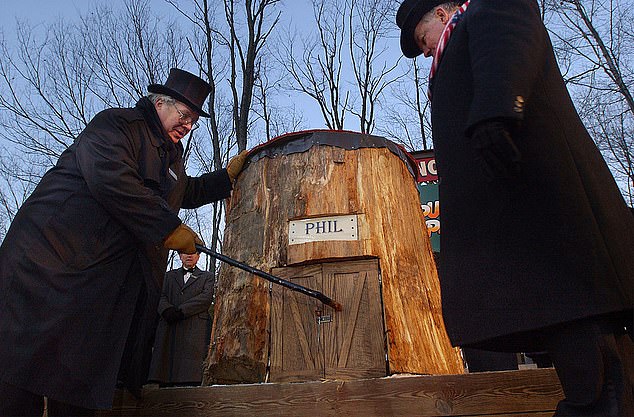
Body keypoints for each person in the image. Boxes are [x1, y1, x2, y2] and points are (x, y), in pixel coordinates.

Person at [396, 1, 633, 415]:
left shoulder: (485, 11)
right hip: (519, 221)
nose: (427, 49)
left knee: (579, 317)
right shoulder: (451, 50)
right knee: (562, 319)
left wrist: (496, 109)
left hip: (547, 210)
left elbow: (509, 37)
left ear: (440, 12)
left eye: (423, 39)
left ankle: (597, 403)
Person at [0, 68, 248, 416]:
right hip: (46, 265)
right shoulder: (117, 125)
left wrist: (226, 178)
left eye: (193, 121)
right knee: (17, 374)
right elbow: (111, 178)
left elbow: (183, 191)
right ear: (160, 102)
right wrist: (167, 229)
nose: (188, 126)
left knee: (76, 383)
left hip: (90, 286)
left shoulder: (171, 156)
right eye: (185, 116)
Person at [148, 250, 215, 386]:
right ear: (179, 256)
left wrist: (181, 311)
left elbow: (205, 298)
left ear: (198, 256)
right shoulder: (168, 276)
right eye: (185, 253)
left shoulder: (207, 277)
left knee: (189, 370)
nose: (189, 256)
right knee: (165, 366)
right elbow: (160, 295)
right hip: (169, 325)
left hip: (194, 327)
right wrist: (166, 310)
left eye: (193, 253)